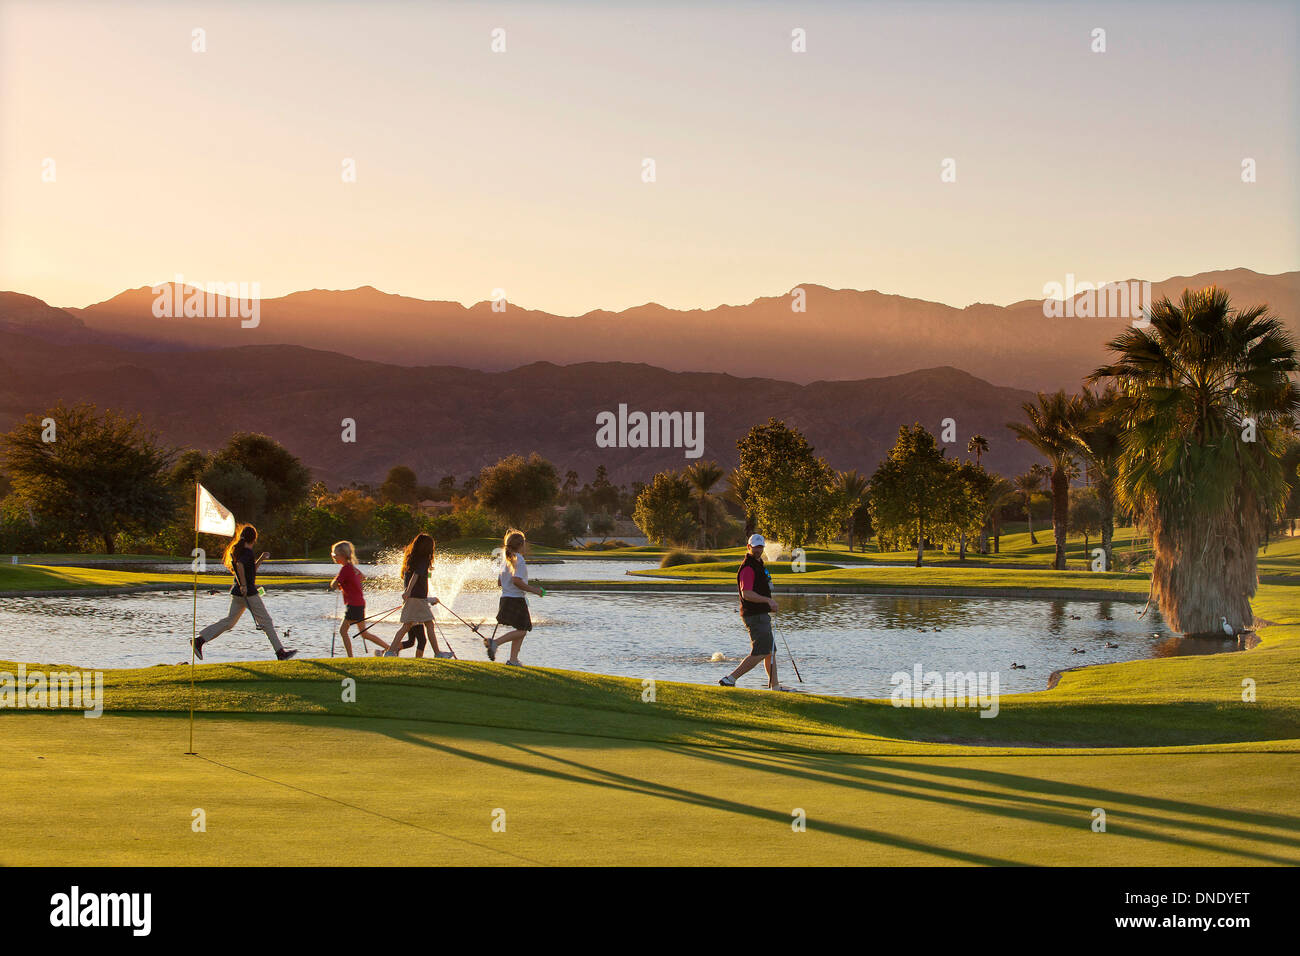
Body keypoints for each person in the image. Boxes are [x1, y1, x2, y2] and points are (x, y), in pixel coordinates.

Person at [192, 524, 298, 661]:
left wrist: (261, 559)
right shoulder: (246, 553)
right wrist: (244, 585)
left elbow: (250, 569)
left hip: (238, 593)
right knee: (266, 621)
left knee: (229, 622)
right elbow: (240, 565)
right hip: (248, 593)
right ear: (254, 538)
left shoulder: (241, 551)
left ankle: (200, 640)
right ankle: (280, 653)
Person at [719, 533, 786, 690]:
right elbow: (746, 593)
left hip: (761, 614)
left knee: (770, 651)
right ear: (749, 547)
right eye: (755, 547)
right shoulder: (748, 567)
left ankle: (775, 686)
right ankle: (730, 678)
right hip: (755, 615)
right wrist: (768, 601)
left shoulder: (758, 565)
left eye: (760, 547)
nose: (758, 550)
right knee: (761, 651)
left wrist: (768, 603)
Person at [382, 533, 450, 658]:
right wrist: (408, 591)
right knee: (427, 624)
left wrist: (421, 597)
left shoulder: (412, 560)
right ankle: (437, 653)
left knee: (408, 626)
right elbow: (416, 576)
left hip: (417, 598)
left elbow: (414, 577)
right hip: (417, 599)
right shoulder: (423, 560)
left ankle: (390, 652)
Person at [486, 529, 544, 665]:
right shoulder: (519, 559)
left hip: (506, 598)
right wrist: (535, 590)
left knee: (521, 629)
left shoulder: (505, 560)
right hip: (516, 599)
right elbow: (516, 581)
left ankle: (513, 659)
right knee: (523, 630)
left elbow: (500, 582)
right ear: (521, 545)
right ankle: (495, 643)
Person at [329, 540, 388, 657]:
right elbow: (363, 578)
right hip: (359, 603)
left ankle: (350, 657)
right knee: (364, 633)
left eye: (335, 555)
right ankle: (389, 648)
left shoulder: (345, 568)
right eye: (333, 555)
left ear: (343, 555)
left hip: (353, 605)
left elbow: (334, 584)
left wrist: (338, 584)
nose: (334, 557)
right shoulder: (352, 568)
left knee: (343, 631)